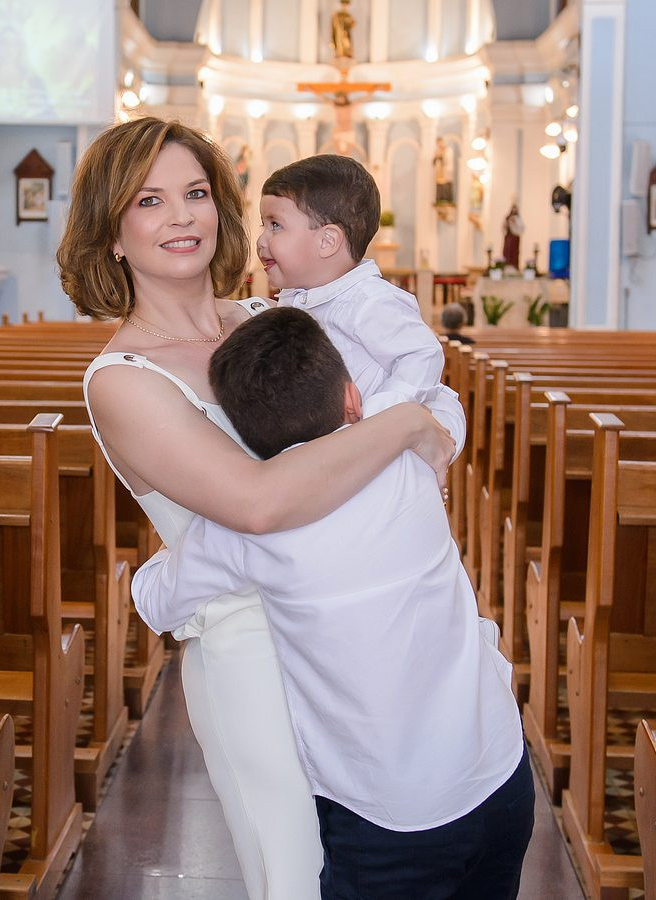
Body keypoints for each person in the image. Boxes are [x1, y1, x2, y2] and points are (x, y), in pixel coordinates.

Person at [59, 117, 455, 899]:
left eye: (196, 193)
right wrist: (406, 424)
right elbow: (258, 503)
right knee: (298, 876)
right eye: (149, 201)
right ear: (111, 233)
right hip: (254, 653)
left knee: (388, 868)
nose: (182, 217)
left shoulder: (273, 320)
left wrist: (414, 423)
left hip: (362, 632)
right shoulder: (122, 378)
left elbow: (400, 411)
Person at [133, 308, 533, 898]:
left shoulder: (246, 533)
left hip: (388, 817)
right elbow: (443, 402)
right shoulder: (408, 458)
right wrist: (395, 417)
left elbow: (156, 604)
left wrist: (174, 546)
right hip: (499, 772)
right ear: (350, 396)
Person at [257, 153, 467, 454]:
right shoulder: (297, 299)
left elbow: (421, 353)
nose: (261, 240)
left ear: (328, 241)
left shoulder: (369, 300)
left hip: (378, 450)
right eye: (263, 225)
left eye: (275, 225)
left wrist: (379, 418)